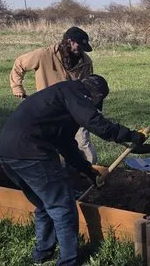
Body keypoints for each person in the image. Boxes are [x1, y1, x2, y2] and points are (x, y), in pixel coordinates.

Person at [0, 74, 146, 266]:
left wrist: (88, 171)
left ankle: (42, 256)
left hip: (8, 153)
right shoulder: (75, 92)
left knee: (45, 205)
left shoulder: (61, 99)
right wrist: (131, 135)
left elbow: (66, 144)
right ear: (96, 96)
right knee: (63, 207)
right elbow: (97, 124)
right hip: (31, 153)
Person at [10, 26, 98, 163]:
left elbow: (88, 86)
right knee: (52, 145)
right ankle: (59, 169)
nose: (80, 50)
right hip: (49, 109)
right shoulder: (44, 55)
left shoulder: (85, 62)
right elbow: (19, 64)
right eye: (78, 46)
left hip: (75, 108)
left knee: (83, 141)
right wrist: (17, 88)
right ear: (69, 41)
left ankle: (90, 171)